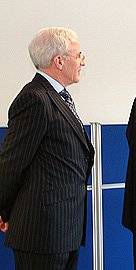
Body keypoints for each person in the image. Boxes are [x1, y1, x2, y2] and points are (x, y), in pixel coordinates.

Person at [0, 27, 94, 270]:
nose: (83, 61)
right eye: (79, 55)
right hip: (42, 233)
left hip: (64, 231)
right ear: (59, 61)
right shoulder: (34, 99)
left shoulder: (57, 96)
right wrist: (3, 210)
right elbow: (12, 163)